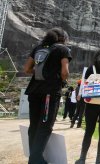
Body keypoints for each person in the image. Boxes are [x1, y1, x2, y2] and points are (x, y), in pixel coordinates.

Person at [24, 28, 71, 164]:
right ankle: (36, 159)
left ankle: (33, 158)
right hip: (49, 93)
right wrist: (60, 80)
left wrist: (41, 72)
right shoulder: (63, 49)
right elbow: (65, 72)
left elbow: (26, 69)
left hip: (33, 91)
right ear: (62, 38)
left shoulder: (38, 47)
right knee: (45, 126)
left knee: (34, 125)